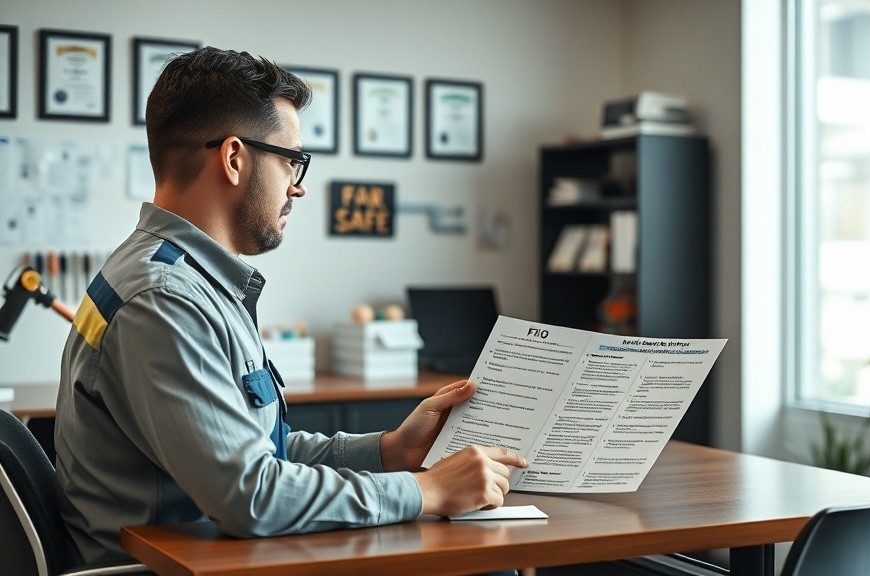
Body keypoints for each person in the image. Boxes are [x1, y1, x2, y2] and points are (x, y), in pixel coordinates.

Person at [54, 46, 527, 565]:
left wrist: (392, 451)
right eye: (291, 160)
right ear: (234, 158)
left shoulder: (184, 281)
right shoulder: (164, 299)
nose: (298, 187)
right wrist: (427, 491)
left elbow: (259, 453)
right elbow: (251, 497)